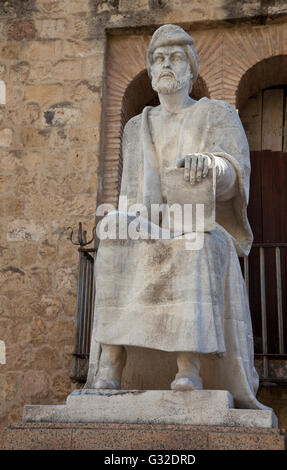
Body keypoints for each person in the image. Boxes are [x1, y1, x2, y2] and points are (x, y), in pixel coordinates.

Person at [85, 24, 268, 410]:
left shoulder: (217, 114)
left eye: (176, 57)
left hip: (201, 223)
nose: (166, 64)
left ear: (191, 70)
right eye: (159, 59)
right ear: (151, 73)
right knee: (115, 230)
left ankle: (189, 367)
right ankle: (112, 364)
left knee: (194, 242)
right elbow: (131, 195)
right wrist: (129, 219)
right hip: (151, 221)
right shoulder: (137, 128)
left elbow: (236, 174)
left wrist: (213, 166)